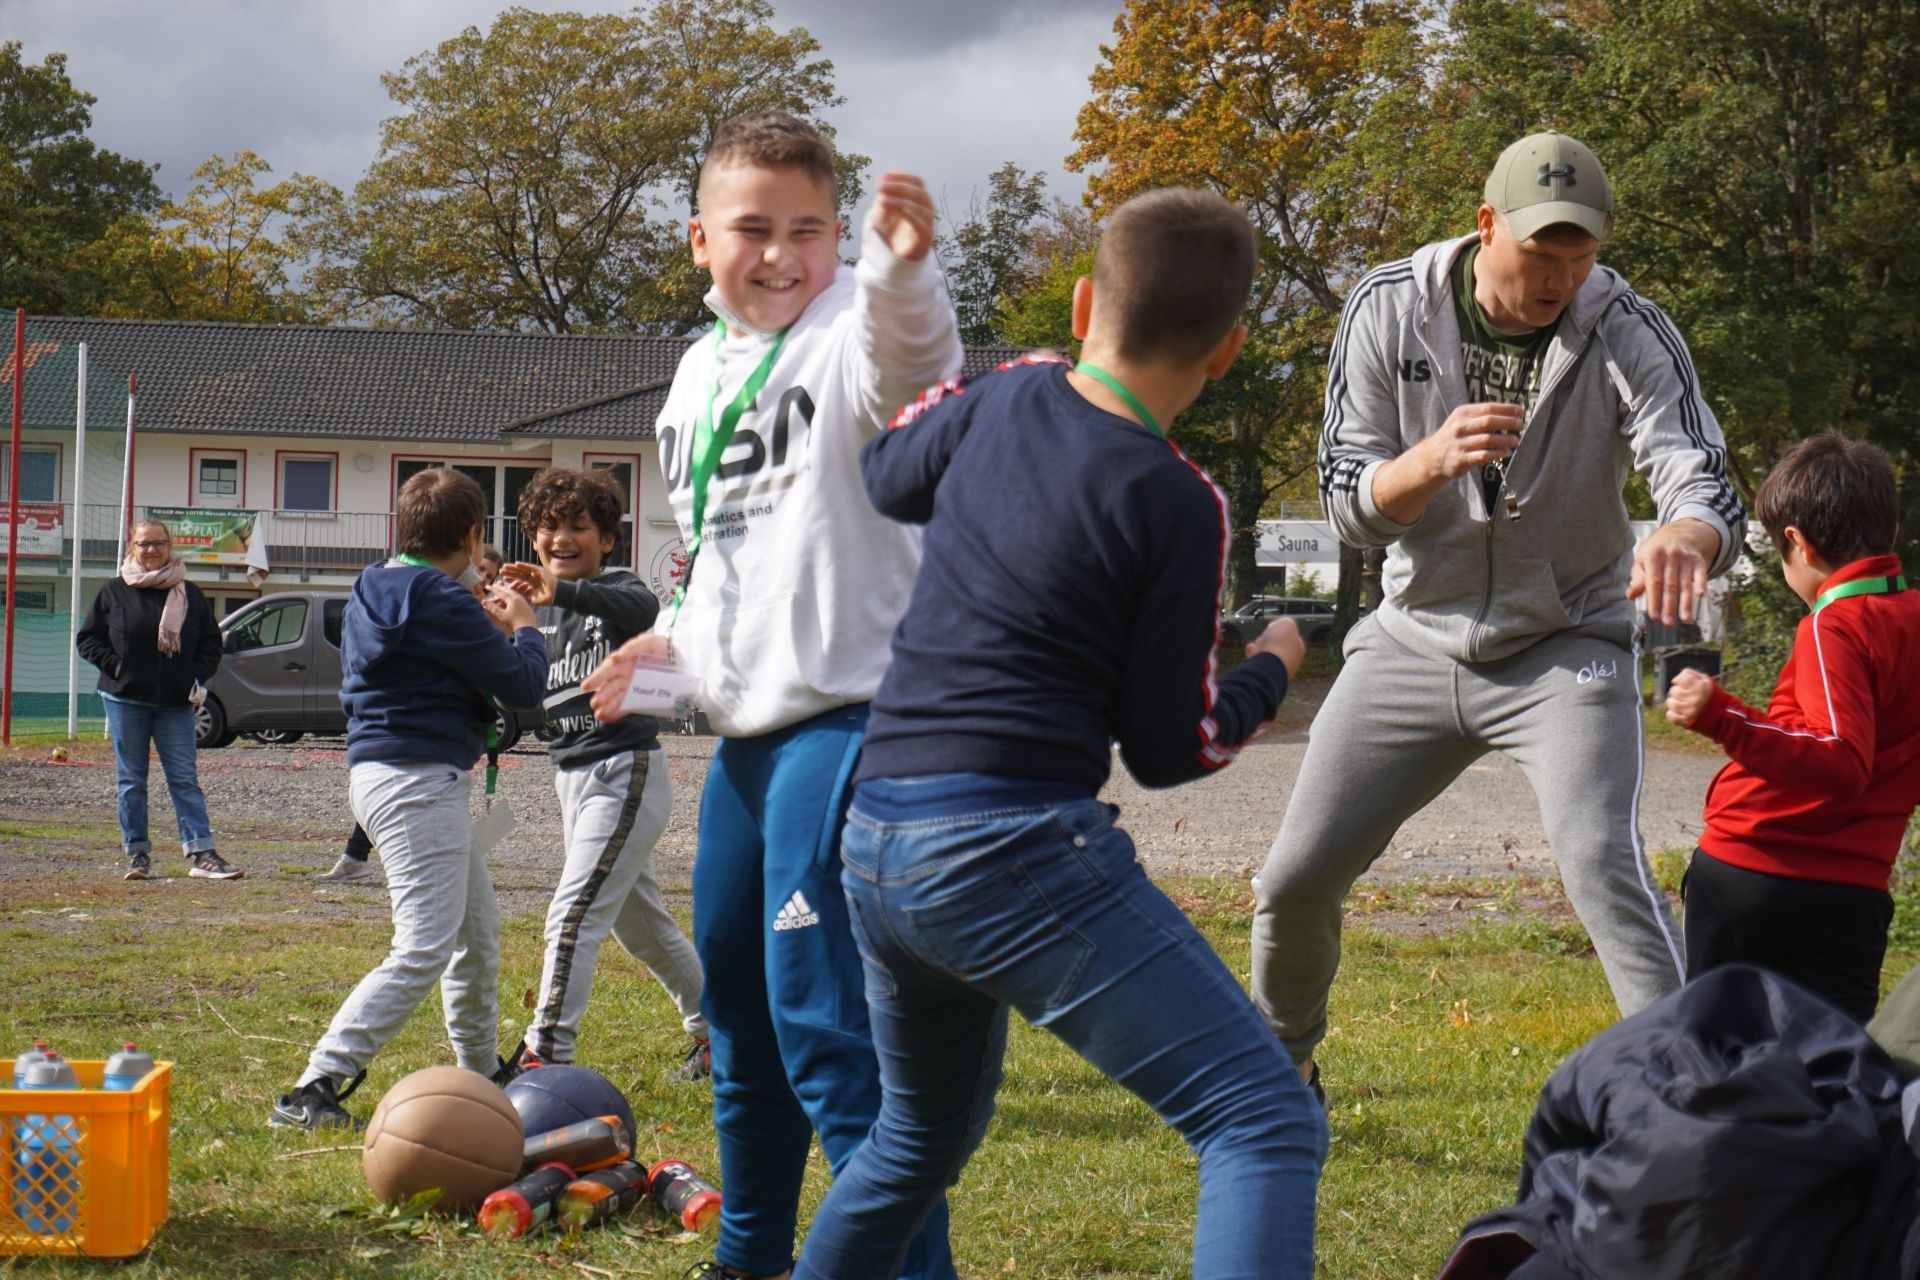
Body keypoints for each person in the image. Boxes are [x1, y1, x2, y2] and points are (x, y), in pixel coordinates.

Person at [789, 187, 1327, 1280]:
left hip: (879, 843)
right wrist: (1272, 666)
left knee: (915, 1139)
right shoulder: (1179, 499)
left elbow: (888, 470)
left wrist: (988, 384)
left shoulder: (1006, 393)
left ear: (1084, 303)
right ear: (1228, 349)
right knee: (1261, 1117)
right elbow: (1173, 748)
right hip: (1009, 850)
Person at [1251, 131, 1748, 1099]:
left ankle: (1702, 1101)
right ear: (1487, 226)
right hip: (1411, 638)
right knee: (1293, 878)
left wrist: (1687, 537)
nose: (1560, 278)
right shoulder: (1387, 304)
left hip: (1567, 641)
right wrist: (1428, 461)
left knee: (1600, 858)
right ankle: (1283, 1072)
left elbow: (1696, 469)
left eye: (1580, 255)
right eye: (1540, 254)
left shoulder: (1628, 326)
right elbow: (1347, 495)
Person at [582, 110, 962, 1280]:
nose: (782, 254)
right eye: (754, 228)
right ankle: (746, 1256)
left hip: (855, 722)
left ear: (839, 236)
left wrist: (902, 271)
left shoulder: (851, 326)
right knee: (739, 1014)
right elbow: (720, 567)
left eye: (810, 229)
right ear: (700, 239)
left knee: (826, 1025)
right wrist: (668, 655)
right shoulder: (695, 376)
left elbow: (914, 367)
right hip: (749, 748)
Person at [269, 468, 547, 1130]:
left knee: (475, 931)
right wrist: (525, 625)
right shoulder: (443, 601)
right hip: (418, 780)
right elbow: (522, 687)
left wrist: (470, 610)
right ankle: (315, 1085)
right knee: (423, 944)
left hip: (383, 774)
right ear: (473, 535)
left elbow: (424, 654)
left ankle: (481, 1069)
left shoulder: (376, 584)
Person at [1665, 432, 1919, 1022]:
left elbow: (1840, 757)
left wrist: (1723, 716)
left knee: (1722, 1049)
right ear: (1891, 532)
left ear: (1797, 543)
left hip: (1754, 872)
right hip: (1855, 890)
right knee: (1835, 1060)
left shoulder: (1834, 626)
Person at [494, 466, 707, 1081]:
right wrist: (505, 633)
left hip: (623, 771)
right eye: (548, 526)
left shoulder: (614, 588)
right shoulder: (536, 614)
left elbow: (643, 606)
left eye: (579, 527)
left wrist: (559, 592)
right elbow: (524, 698)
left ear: (608, 539)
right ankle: (721, 1035)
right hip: (573, 779)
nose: (561, 538)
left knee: (572, 915)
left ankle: (546, 1053)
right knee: (640, 928)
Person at [76, 518, 239, 882]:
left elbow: (211, 642)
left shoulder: (189, 593)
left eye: (158, 543)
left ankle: (202, 854)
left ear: (169, 546)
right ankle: (137, 855)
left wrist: (194, 677)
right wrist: (116, 666)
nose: (151, 550)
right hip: (125, 700)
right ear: (132, 547)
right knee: (131, 781)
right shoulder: (113, 592)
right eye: (143, 543)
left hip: (176, 704)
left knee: (184, 779)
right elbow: (88, 639)